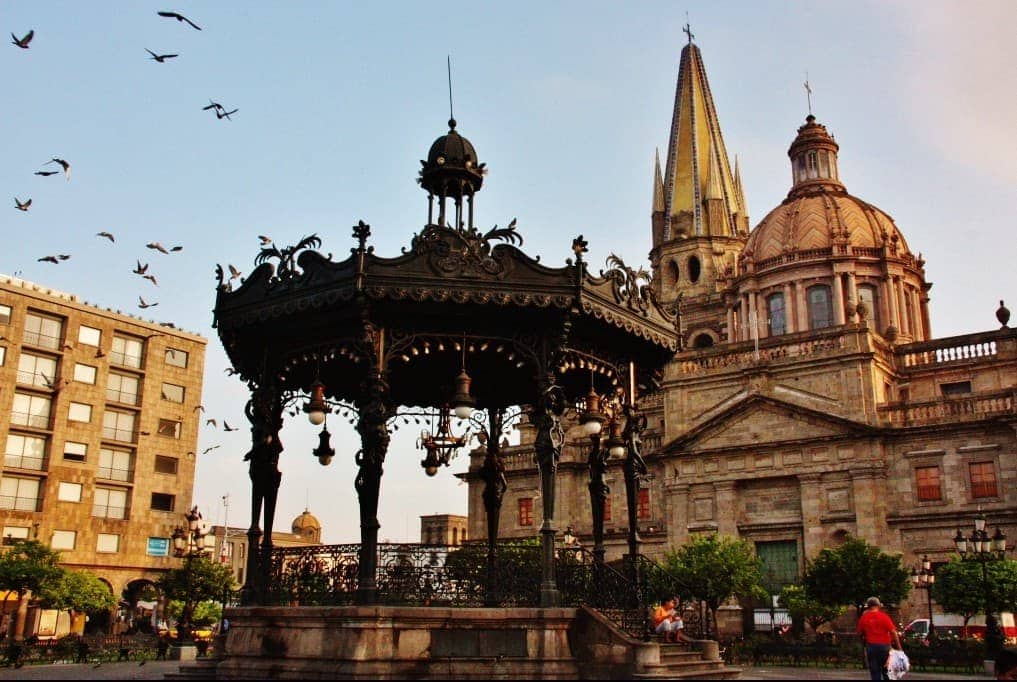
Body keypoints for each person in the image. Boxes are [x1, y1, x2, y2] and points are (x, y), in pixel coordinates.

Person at [856, 596, 902, 681]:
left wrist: (864, 643)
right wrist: (899, 648)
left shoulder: (864, 618)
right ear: (878, 605)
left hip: (871, 647)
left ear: (868, 606)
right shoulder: (884, 617)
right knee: (887, 672)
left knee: (875, 672)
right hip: (885, 647)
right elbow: (893, 632)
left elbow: (859, 633)